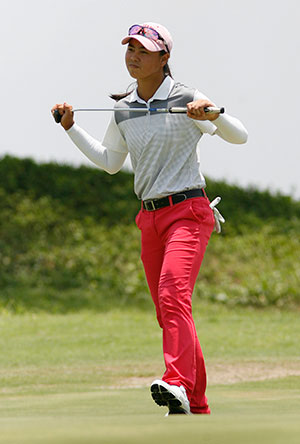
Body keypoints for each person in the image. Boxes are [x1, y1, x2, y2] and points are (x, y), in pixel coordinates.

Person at [51, 22, 248, 416]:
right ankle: (196, 399)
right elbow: (110, 162)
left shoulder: (186, 97)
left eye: (143, 50)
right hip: (150, 218)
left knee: (174, 297)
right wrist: (71, 129)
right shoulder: (123, 110)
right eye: (130, 49)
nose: (133, 56)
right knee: (168, 310)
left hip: (188, 212)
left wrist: (213, 115)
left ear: (164, 58)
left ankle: (175, 381)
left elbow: (239, 135)